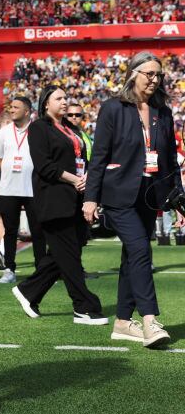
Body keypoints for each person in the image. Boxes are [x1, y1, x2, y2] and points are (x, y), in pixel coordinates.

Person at [84, 51, 180, 348]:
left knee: (132, 256)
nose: (154, 79)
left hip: (150, 197)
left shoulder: (163, 111)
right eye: (149, 73)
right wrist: (91, 199)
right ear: (133, 74)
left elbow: (170, 159)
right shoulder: (112, 108)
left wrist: (177, 201)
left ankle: (123, 321)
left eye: (158, 75)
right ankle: (150, 319)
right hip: (119, 194)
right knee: (140, 249)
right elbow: (99, 157)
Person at [11, 86, 106, 325]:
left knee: (64, 254)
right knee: (70, 256)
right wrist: (75, 179)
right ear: (46, 103)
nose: (65, 102)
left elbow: (82, 158)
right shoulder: (39, 128)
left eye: (66, 97)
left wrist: (86, 181)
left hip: (75, 199)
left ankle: (28, 291)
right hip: (53, 200)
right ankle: (83, 306)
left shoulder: (71, 129)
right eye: (59, 98)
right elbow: (44, 165)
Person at [0, 95, 45, 283]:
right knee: (10, 230)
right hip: (8, 188)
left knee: (38, 230)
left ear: (27, 111)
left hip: (33, 188)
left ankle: (41, 270)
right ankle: (9, 269)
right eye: (11, 107)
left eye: (16, 107)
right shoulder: (4, 132)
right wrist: (10, 172)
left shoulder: (38, 130)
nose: (12, 109)